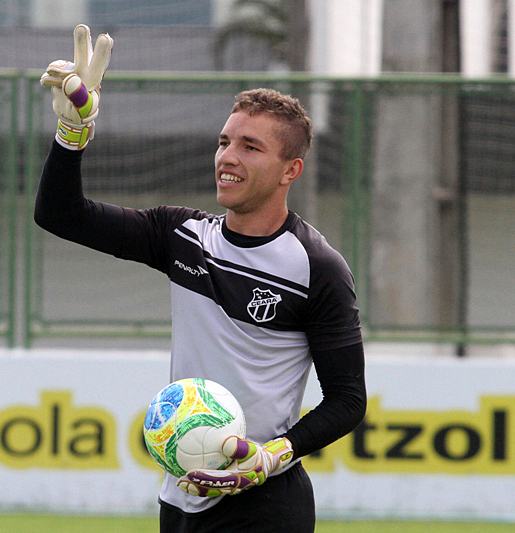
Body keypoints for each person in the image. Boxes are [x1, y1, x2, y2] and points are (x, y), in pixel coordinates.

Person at [35, 25, 366, 533]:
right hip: (180, 497)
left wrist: (269, 458)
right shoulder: (180, 234)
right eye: (224, 141)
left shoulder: (316, 267)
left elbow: (347, 400)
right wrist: (72, 135)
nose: (227, 156)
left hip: (265, 505)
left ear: (290, 170)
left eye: (250, 147)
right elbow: (61, 214)